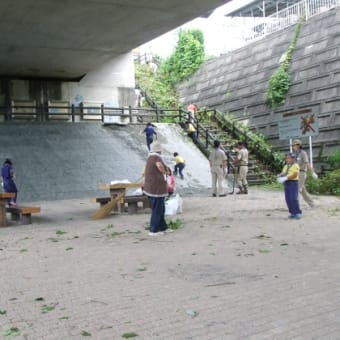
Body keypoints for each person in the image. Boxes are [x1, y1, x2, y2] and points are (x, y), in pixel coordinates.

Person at [143, 141, 173, 236]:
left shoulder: (150, 157)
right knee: (157, 209)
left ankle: (163, 227)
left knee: (161, 208)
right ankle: (153, 230)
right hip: (156, 188)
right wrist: (165, 172)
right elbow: (159, 166)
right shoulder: (156, 157)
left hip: (152, 187)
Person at [292, 139, 317, 208]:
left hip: (302, 173)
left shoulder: (303, 153)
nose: (293, 146)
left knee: (297, 189)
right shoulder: (294, 154)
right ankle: (312, 204)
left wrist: (312, 172)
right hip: (296, 173)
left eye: (295, 145)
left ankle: (295, 206)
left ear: (299, 145)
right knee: (303, 190)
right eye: (293, 145)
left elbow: (307, 163)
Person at [277, 152, 302, 219]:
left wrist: (286, 178)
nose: (288, 159)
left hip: (293, 182)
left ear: (293, 159)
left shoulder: (296, 166)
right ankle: (292, 213)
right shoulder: (286, 166)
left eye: (289, 158)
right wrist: (280, 175)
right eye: (287, 158)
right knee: (288, 199)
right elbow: (284, 172)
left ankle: (298, 212)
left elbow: (295, 175)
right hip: (287, 183)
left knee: (293, 198)